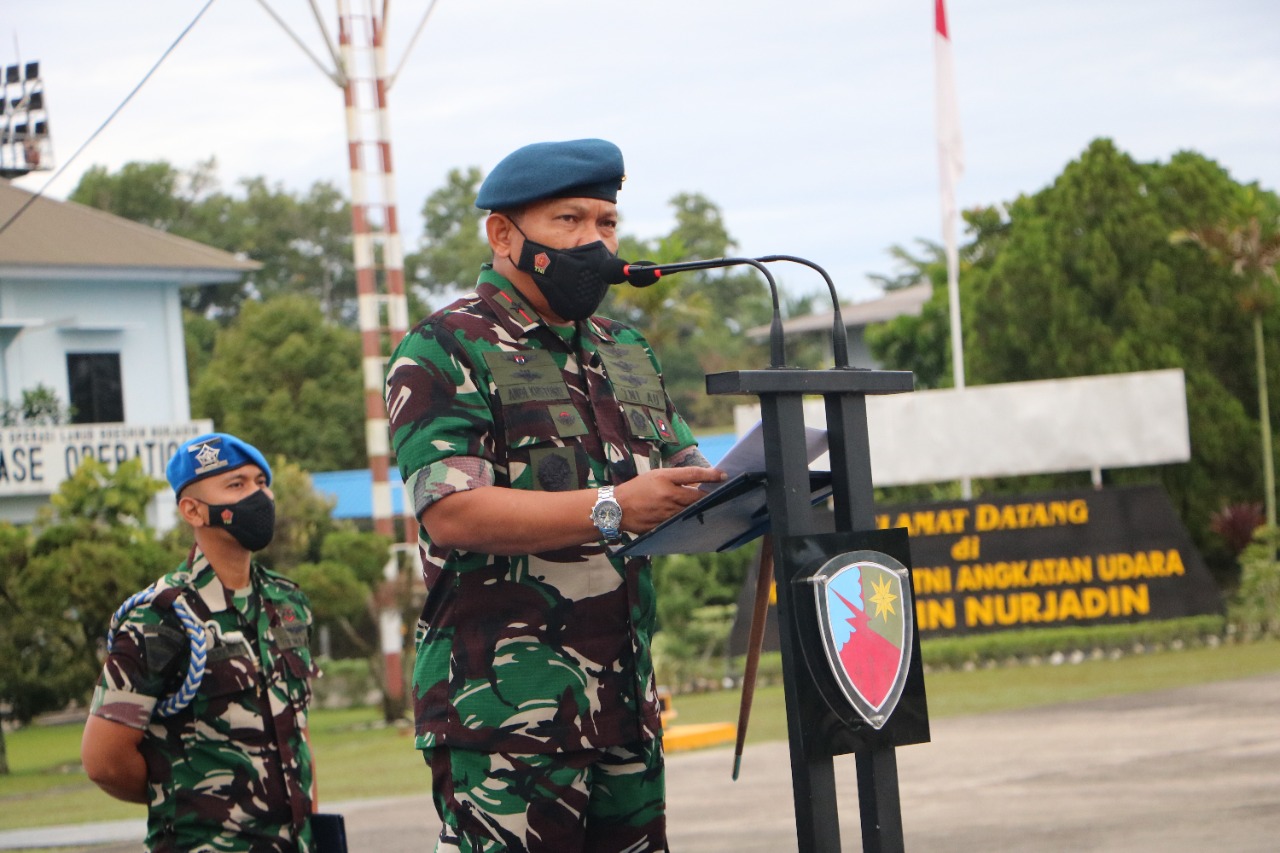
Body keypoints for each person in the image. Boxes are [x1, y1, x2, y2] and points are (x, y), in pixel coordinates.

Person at [385, 138, 726, 852]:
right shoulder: (446, 347)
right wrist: (612, 507)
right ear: (504, 235)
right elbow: (451, 511)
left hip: (626, 708)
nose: (595, 243)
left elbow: (684, 474)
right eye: (570, 220)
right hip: (505, 720)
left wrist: (755, 485)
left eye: (606, 222)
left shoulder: (627, 350)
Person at [81, 432, 319, 852]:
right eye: (236, 486)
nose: (258, 497)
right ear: (192, 510)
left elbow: (296, 731)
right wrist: (180, 792)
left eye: (260, 483)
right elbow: (104, 760)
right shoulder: (157, 618)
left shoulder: (288, 603)